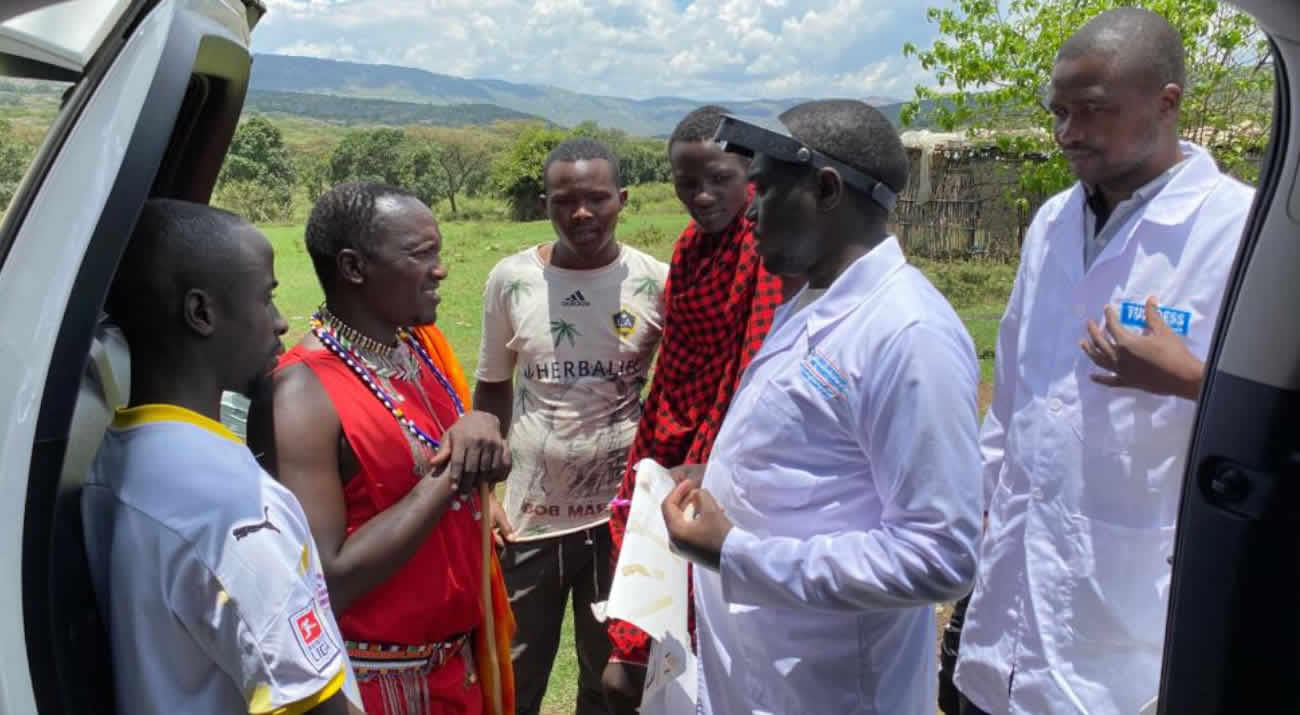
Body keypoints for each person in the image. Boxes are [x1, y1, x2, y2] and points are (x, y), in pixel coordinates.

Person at [953, 9, 1255, 715]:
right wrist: (975, 513)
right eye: (1058, 111)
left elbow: (1280, 424)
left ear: (1167, 101)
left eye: (1091, 111)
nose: (1067, 133)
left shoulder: (1238, 231)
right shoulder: (1052, 223)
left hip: (1129, 621)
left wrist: (1189, 380)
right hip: (1007, 615)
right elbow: (1017, 399)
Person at [662, 100, 983, 714]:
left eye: (764, 189)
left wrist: (735, 552)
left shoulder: (907, 334)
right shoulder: (812, 302)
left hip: (834, 691)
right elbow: (816, 455)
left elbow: (940, 557)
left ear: (826, 189)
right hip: (766, 677)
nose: (749, 209)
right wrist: (725, 479)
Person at [82, 199, 363, 715]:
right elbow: (313, 702)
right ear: (201, 312)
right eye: (266, 299)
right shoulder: (231, 506)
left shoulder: (111, 459)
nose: (281, 323)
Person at [249, 183, 515, 715]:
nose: (440, 270)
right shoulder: (300, 393)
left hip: (456, 671)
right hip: (379, 689)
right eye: (421, 255)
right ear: (353, 267)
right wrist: (454, 473)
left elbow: (438, 460)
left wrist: (484, 447)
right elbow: (328, 577)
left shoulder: (416, 350)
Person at [601, 105, 797, 710]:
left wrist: (707, 458)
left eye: (719, 179)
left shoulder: (763, 248)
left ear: (753, 175)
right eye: (687, 183)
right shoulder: (688, 249)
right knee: (654, 622)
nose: (702, 195)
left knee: (710, 630)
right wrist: (654, 453)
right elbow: (679, 361)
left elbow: (750, 368)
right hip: (672, 438)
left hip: (724, 455)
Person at [473, 137, 668, 715]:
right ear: (545, 204)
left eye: (597, 198)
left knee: (608, 677)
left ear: (622, 199)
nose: (582, 213)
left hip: (621, 520)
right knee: (515, 672)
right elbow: (491, 388)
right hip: (529, 519)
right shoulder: (511, 281)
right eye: (565, 200)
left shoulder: (656, 281)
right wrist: (486, 493)